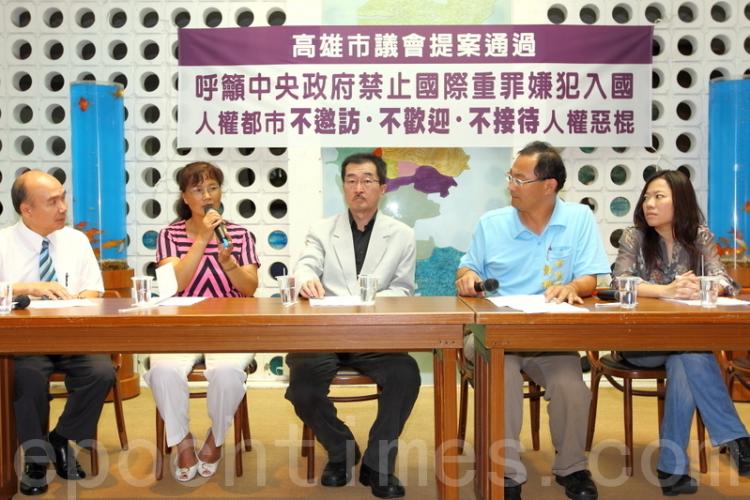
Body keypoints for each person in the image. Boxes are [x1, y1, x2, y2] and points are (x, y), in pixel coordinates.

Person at [456, 142, 610, 500]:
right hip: (493, 337)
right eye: (510, 177)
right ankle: (506, 473)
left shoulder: (578, 220)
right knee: (503, 379)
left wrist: (571, 285)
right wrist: (466, 277)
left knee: (572, 387)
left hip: (550, 337)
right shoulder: (491, 224)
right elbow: (467, 268)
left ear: (548, 186)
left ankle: (572, 468)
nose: (510, 184)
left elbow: (591, 278)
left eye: (519, 179)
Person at [285, 152, 420, 499]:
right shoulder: (322, 229)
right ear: (342, 185)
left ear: (383, 187)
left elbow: (403, 289)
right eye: (351, 180)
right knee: (302, 386)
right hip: (324, 332)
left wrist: (370, 302)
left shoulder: (402, 235)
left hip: (374, 334)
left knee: (405, 374)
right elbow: (306, 264)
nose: (358, 188)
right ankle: (341, 450)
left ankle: (378, 463)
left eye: (367, 180)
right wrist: (305, 279)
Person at [612, 169, 750, 495]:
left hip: (684, 343)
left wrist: (707, 285)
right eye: (647, 196)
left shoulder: (699, 237)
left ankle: (672, 468)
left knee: (685, 355)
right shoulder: (635, 237)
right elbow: (619, 284)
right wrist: (666, 290)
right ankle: (737, 438)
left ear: (681, 201)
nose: (649, 203)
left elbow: (728, 282)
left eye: (659, 196)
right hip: (640, 344)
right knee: (692, 352)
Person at [0, 170, 114, 496]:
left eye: (63, 198)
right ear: (26, 210)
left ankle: (61, 438)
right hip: (25, 342)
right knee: (28, 376)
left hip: (73, 335)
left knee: (101, 372)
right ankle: (35, 458)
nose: (63, 207)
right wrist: (29, 287)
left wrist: (80, 301)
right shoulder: (4, 243)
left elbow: (95, 291)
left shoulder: (75, 240)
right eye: (52, 202)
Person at [143, 162, 259, 482]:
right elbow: (174, 285)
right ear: (185, 197)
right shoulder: (169, 235)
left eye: (213, 188)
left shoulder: (239, 234)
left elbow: (250, 288)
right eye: (198, 189)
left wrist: (230, 264)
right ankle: (181, 440)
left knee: (227, 373)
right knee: (162, 370)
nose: (207, 196)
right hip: (180, 326)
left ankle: (215, 437)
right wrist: (201, 240)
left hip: (230, 325)